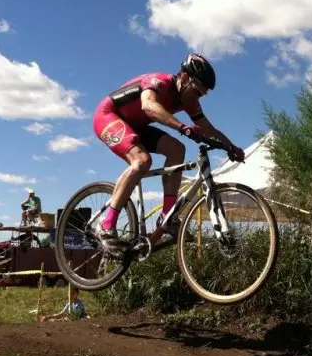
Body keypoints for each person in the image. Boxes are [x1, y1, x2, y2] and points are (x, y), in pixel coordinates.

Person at [92, 53, 245, 254]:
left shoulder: (188, 100)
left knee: (177, 149)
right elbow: (148, 105)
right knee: (142, 161)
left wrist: (230, 147)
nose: (198, 97)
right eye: (197, 91)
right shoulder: (159, 81)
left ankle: (167, 217)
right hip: (109, 116)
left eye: (202, 94)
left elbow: (208, 128)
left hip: (137, 125)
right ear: (184, 78)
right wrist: (182, 127)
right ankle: (106, 224)